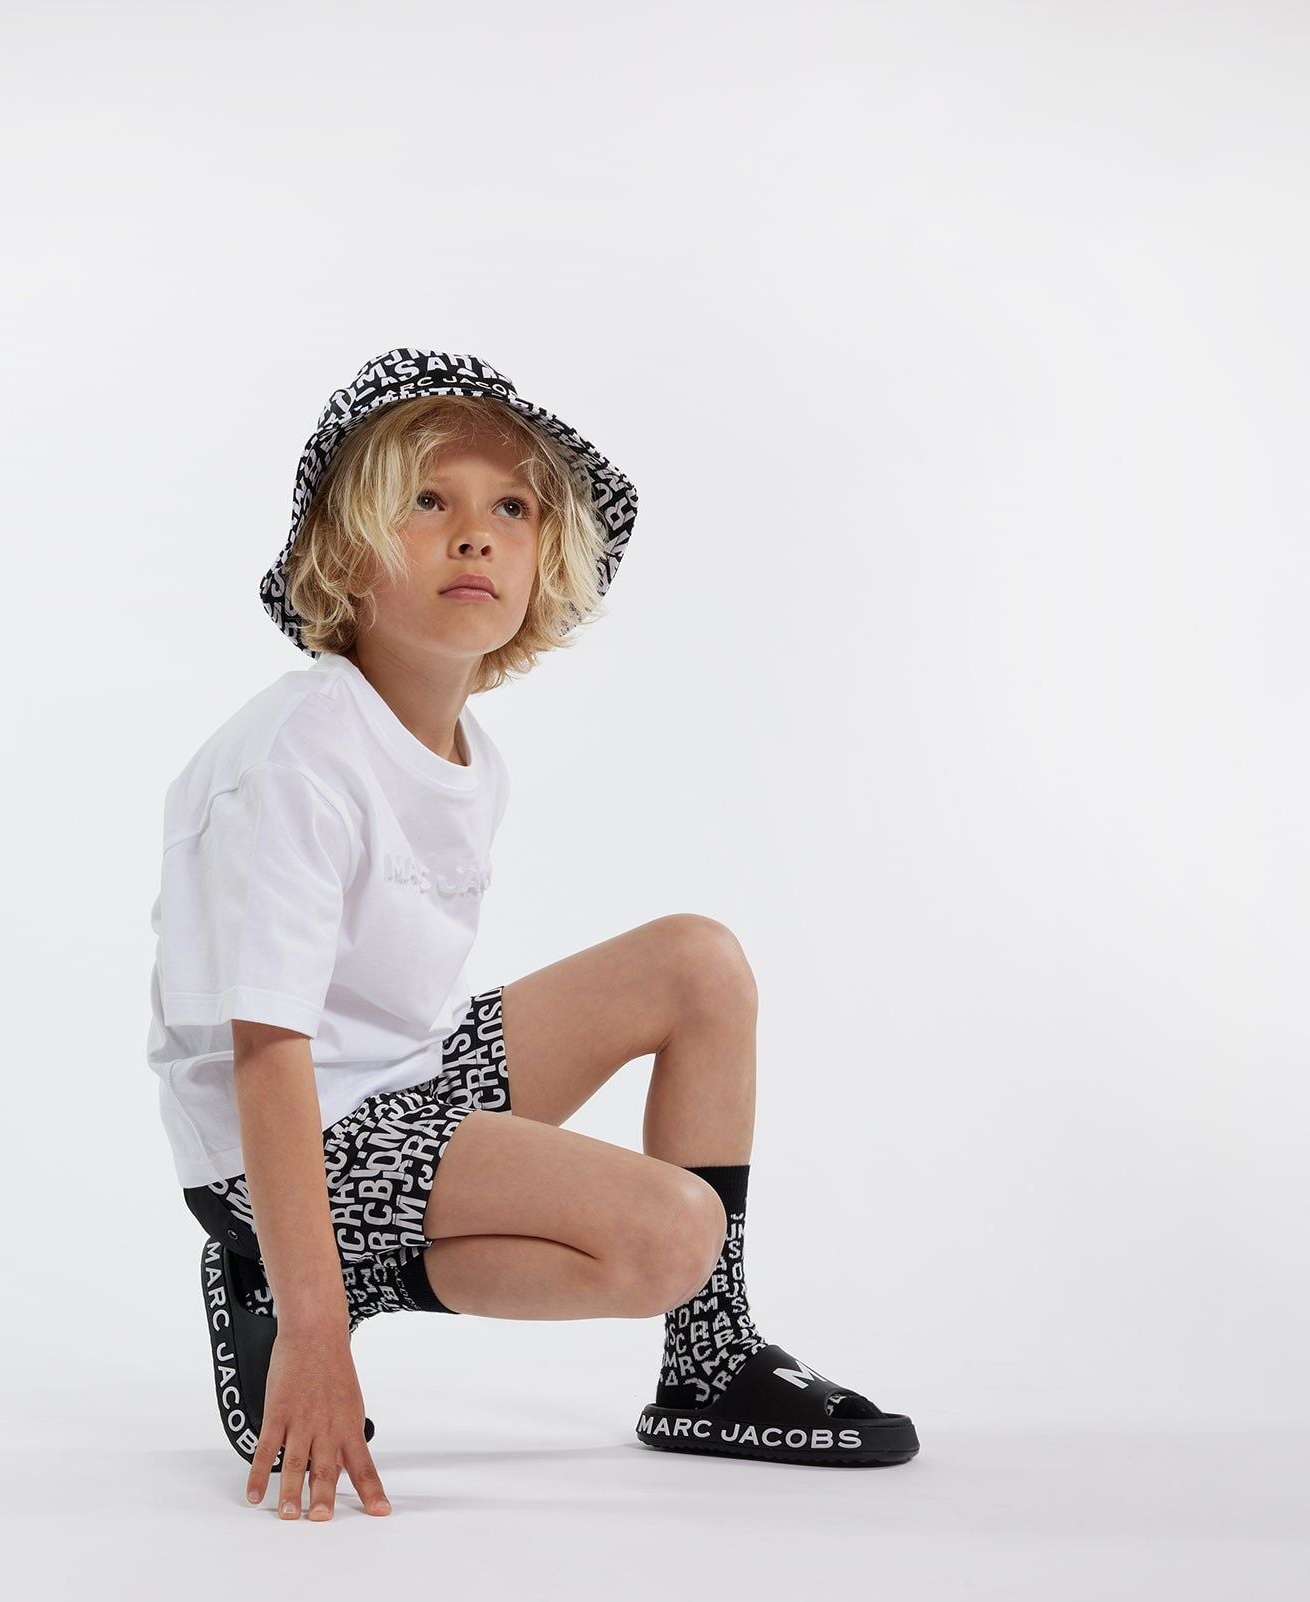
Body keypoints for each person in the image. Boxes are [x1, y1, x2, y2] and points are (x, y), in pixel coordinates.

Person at [145, 348, 919, 1525]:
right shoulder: (300, 752)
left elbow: (391, 1019)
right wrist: (314, 1328)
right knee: (669, 1234)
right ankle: (290, 1275)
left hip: (400, 1080)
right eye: (427, 501)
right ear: (342, 554)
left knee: (696, 960)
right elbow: (266, 1047)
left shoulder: (472, 758)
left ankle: (707, 1361)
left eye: (510, 509)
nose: (476, 534)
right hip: (281, 1141)